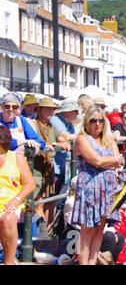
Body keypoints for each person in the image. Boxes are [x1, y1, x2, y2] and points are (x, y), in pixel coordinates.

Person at [71, 105, 125, 265]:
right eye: (93, 120)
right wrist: (112, 160)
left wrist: (111, 161)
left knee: (99, 230)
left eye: (101, 120)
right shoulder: (81, 139)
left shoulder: (108, 139)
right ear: (87, 121)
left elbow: (120, 161)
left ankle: (92, 262)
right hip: (90, 188)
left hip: (107, 188)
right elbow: (97, 160)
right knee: (87, 231)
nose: (97, 124)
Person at [30, 97, 71, 229]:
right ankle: (39, 236)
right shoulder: (33, 124)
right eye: (47, 108)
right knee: (38, 203)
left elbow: (64, 140)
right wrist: (55, 143)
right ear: (39, 110)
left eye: (52, 109)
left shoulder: (51, 126)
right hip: (36, 167)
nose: (50, 111)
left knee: (49, 202)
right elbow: (34, 140)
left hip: (48, 167)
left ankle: (45, 234)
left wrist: (58, 143)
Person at [0, 125, 36, 265]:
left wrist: (16, 200)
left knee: (8, 219)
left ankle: (9, 261)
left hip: (10, 202)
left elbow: (30, 184)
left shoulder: (16, 157)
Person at [50, 99, 79, 195]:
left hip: (64, 164)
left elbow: (72, 138)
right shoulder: (55, 120)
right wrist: (82, 137)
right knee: (53, 194)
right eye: (75, 111)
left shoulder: (68, 123)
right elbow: (65, 137)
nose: (77, 114)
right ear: (68, 111)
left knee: (61, 193)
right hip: (54, 165)